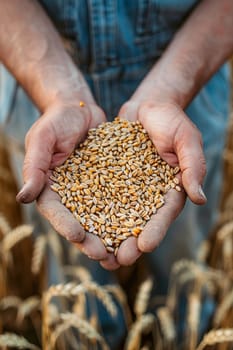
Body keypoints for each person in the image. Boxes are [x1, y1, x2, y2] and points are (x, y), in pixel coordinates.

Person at [0, 0, 232, 346]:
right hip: (36, 78)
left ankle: (180, 334)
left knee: (184, 274)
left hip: (190, 81)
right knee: (74, 287)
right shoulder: (63, 153)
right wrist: (58, 93)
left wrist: (171, 91)